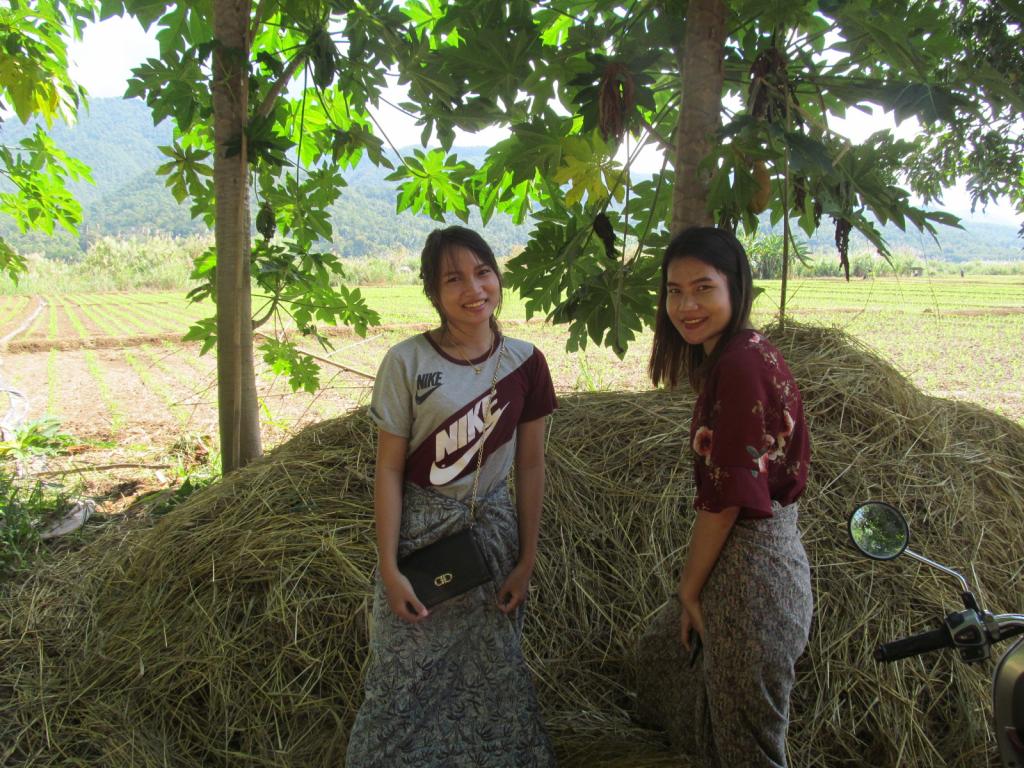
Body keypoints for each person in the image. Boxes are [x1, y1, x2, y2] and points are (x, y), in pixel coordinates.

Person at [346, 226, 557, 768]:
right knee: (400, 682)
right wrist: (389, 569)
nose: (474, 289)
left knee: (494, 679)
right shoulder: (407, 362)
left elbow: (531, 466)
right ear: (433, 293)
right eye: (453, 279)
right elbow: (389, 469)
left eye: (483, 272)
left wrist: (526, 561)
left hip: (492, 544)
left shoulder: (527, 363)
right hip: (421, 545)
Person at [640, 226, 813, 768]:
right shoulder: (739, 352)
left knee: (748, 748)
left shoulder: (739, 365)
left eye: (703, 288)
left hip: (752, 577)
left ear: (736, 286)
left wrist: (688, 589)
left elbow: (727, 500)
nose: (686, 306)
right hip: (752, 561)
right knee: (661, 660)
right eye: (674, 291)